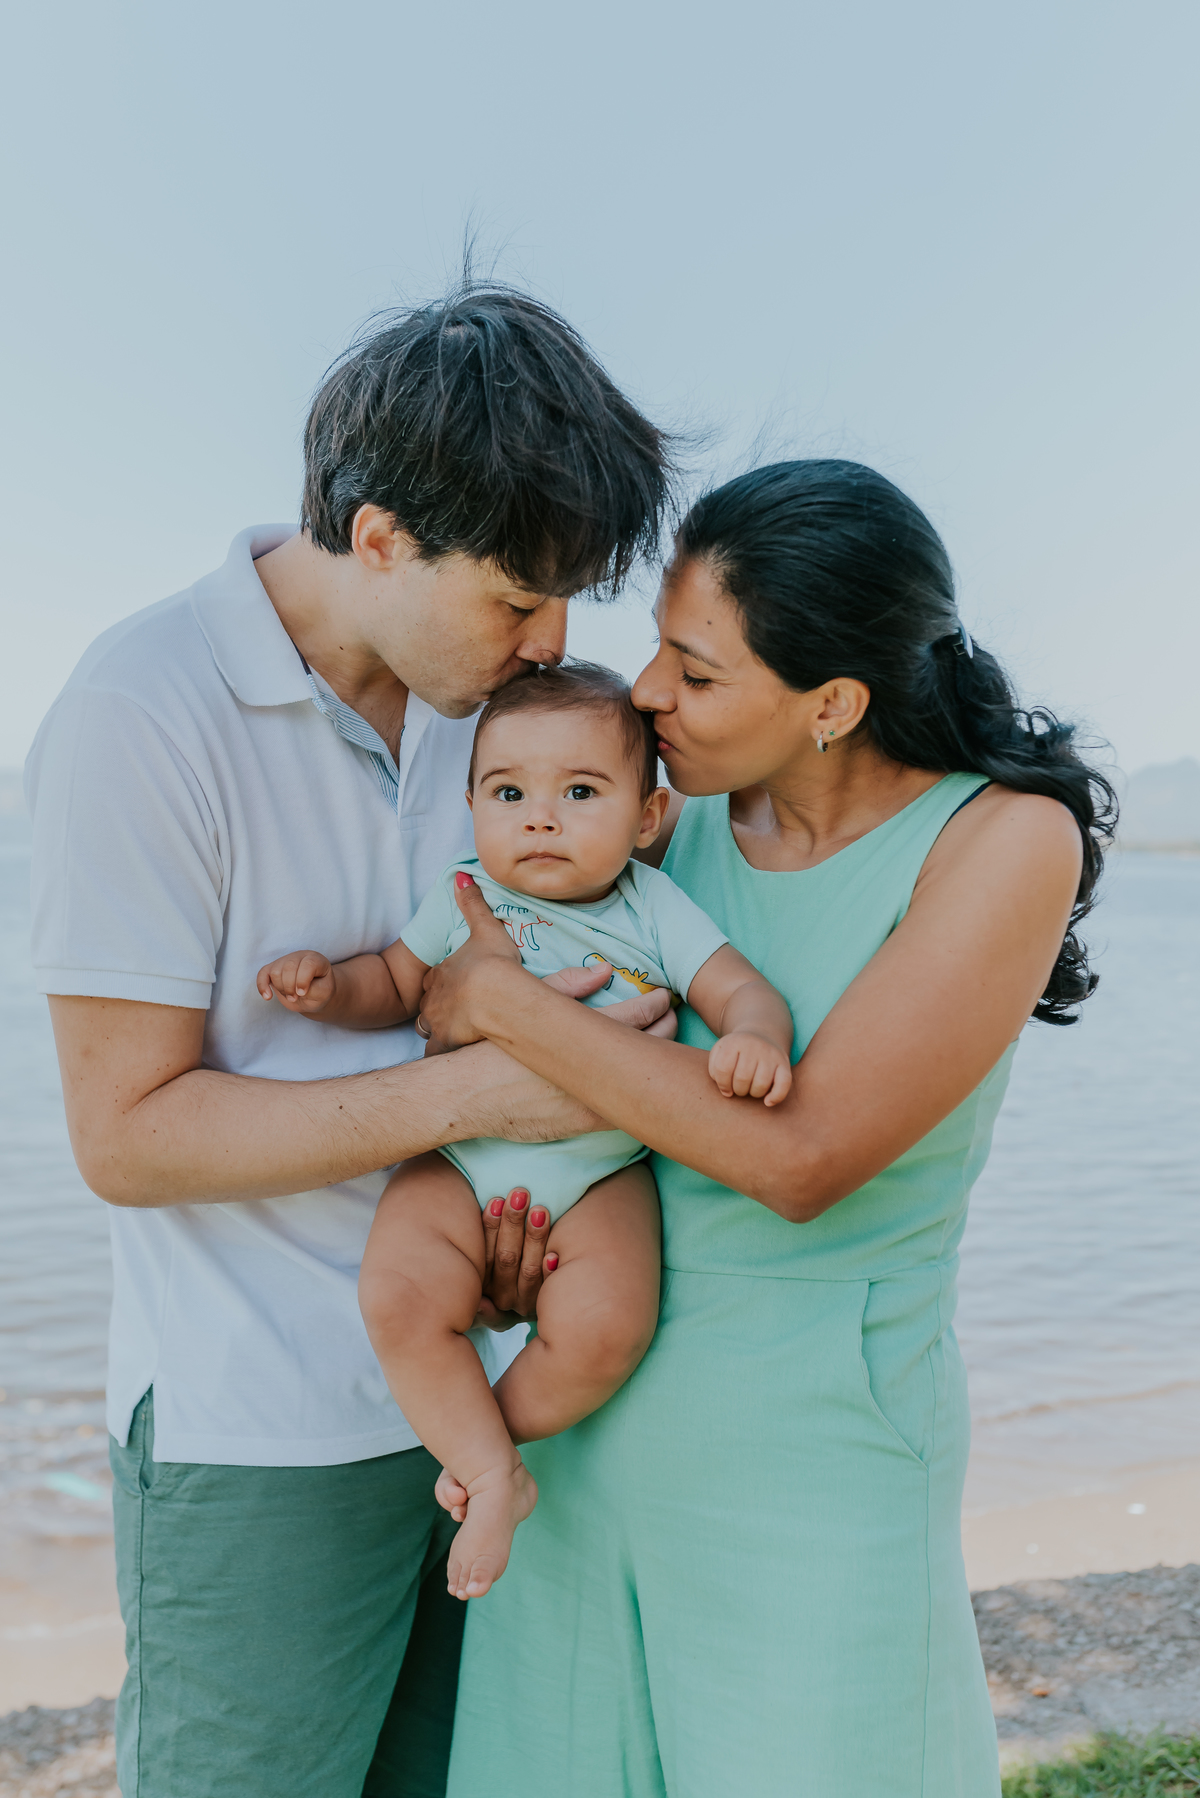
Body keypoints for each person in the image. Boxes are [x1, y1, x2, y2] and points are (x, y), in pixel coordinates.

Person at [24, 285, 674, 1798]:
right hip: (257, 1431)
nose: (551, 644)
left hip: (482, 1398)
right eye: (516, 600)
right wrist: (489, 1087)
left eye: (568, 601)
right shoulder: (140, 712)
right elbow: (126, 1135)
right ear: (380, 537)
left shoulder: (493, 713)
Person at [417, 460, 1117, 1798]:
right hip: (573, 1429)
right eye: (657, 649)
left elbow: (801, 1158)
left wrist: (497, 1001)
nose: (644, 694)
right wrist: (505, 1235)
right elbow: (555, 1072)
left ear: (831, 705)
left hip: (815, 1465)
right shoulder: (657, 820)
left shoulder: (1003, 841)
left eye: (695, 670)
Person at [256, 661, 794, 1602]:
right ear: (471, 806)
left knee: (607, 1331)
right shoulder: (466, 893)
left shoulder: (651, 905)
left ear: (646, 817)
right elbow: (399, 983)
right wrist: (331, 989)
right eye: (509, 794)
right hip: (459, 1160)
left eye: (579, 793)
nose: (540, 819)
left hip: (600, 1172)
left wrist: (755, 1035)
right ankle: (491, 1470)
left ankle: (486, 1444)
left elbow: (739, 987)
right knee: (397, 1298)